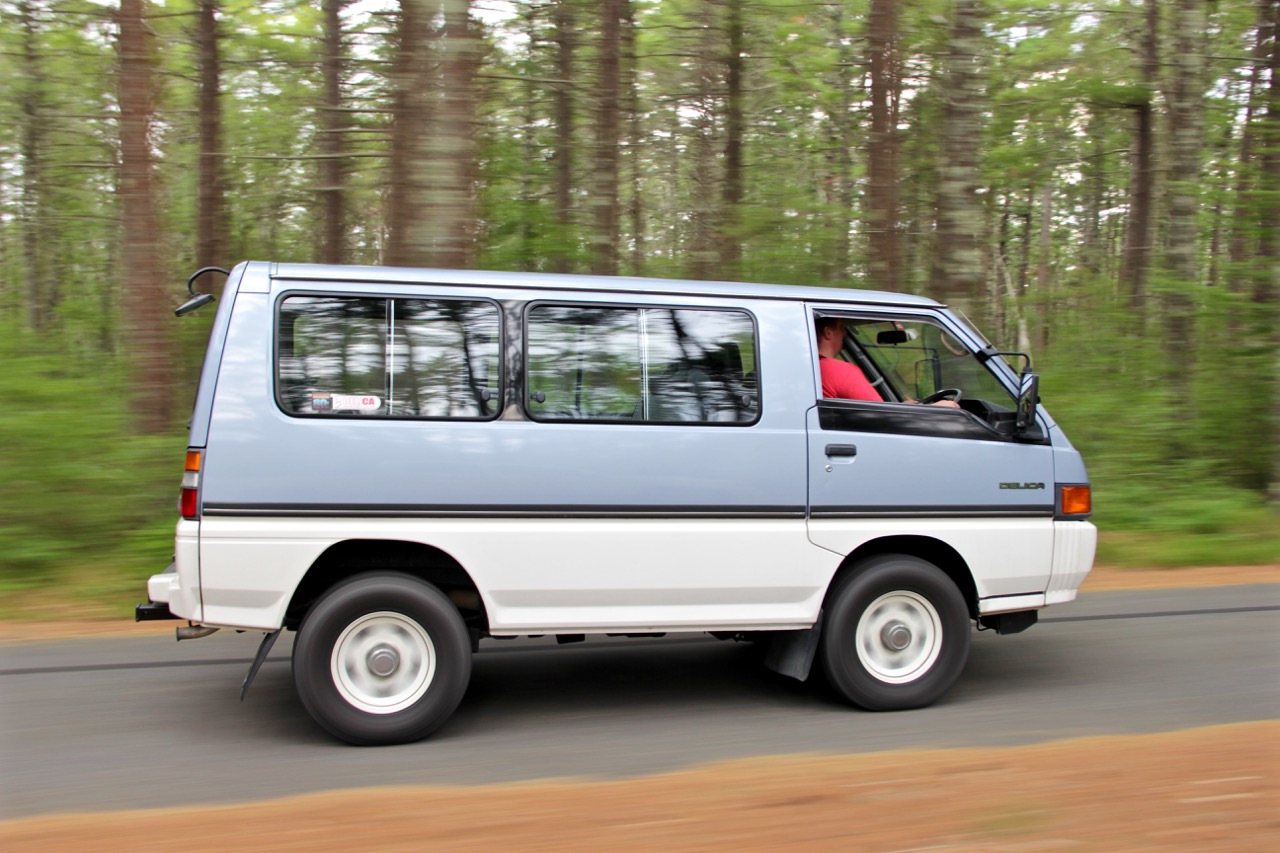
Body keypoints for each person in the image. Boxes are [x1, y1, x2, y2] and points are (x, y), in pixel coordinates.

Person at [816, 317, 960, 407]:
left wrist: (903, 408)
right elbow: (883, 417)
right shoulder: (839, 371)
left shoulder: (808, 368)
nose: (845, 332)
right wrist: (936, 409)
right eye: (841, 327)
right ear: (828, 333)